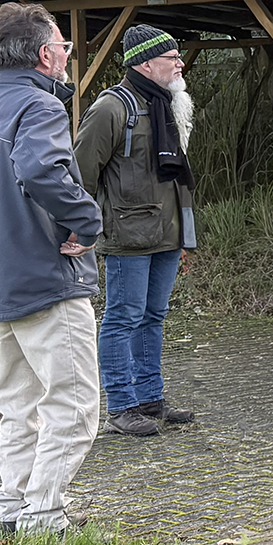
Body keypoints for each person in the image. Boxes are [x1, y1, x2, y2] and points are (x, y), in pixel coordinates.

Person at [0, 2, 105, 536]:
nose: (67, 52)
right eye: (63, 44)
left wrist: (4, 230)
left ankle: (12, 510)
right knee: (75, 406)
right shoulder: (39, 108)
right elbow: (42, 168)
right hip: (49, 279)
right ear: (46, 55)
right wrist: (86, 221)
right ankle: (44, 518)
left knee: (19, 408)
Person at [75, 25, 198, 436]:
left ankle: (150, 398)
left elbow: (180, 178)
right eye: (172, 57)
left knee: (154, 317)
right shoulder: (112, 108)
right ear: (145, 63)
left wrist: (186, 237)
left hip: (166, 233)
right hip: (127, 235)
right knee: (123, 318)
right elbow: (81, 175)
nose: (180, 63)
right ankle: (121, 406)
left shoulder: (170, 105)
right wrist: (83, 228)